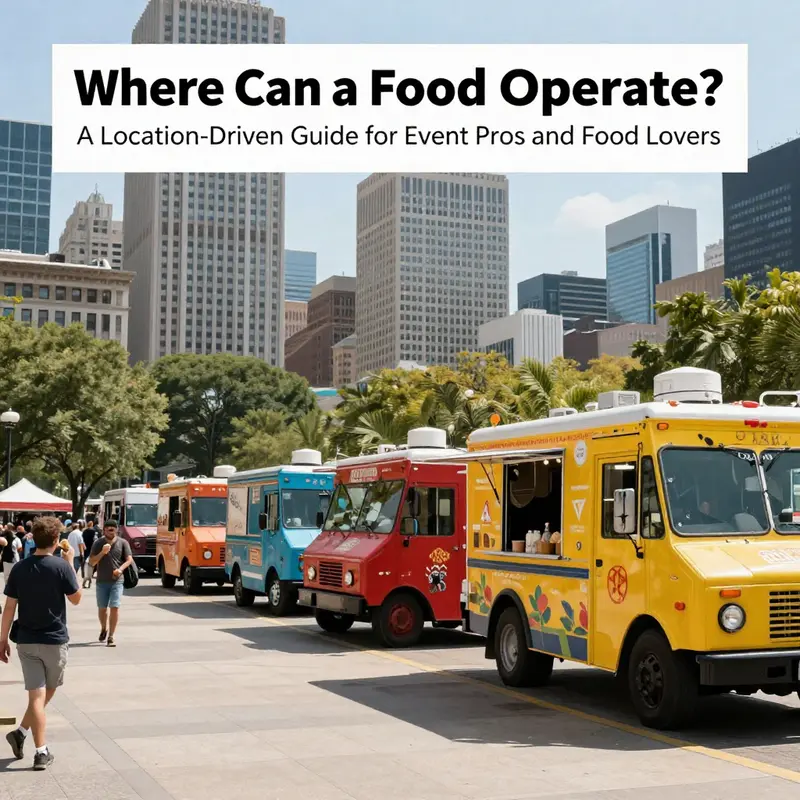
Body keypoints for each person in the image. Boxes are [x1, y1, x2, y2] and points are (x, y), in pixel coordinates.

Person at [1, 516, 81, 770]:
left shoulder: (20, 568)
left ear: (32, 538)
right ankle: (41, 751)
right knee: (44, 694)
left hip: (26, 640)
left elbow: (9, 607)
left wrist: (2, 638)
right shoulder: (61, 566)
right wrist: (71, 565)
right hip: (54, 640)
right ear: (57, 540)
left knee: (38, 694)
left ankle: (21, 732)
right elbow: (76, 599)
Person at [88, 520, 132, 647]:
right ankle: (103, 628)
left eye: (113, 529)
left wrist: (120, 569)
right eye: (108, 529)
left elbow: (129, 559)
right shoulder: (98, 543)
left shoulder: (123, 542)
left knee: (115, 606)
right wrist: (102, 552)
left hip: (117, 581)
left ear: (117, 530)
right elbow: (92, 562)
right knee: (102, 609)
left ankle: (111, 636)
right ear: (104, 531)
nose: (111, 530)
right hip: (101, 581)